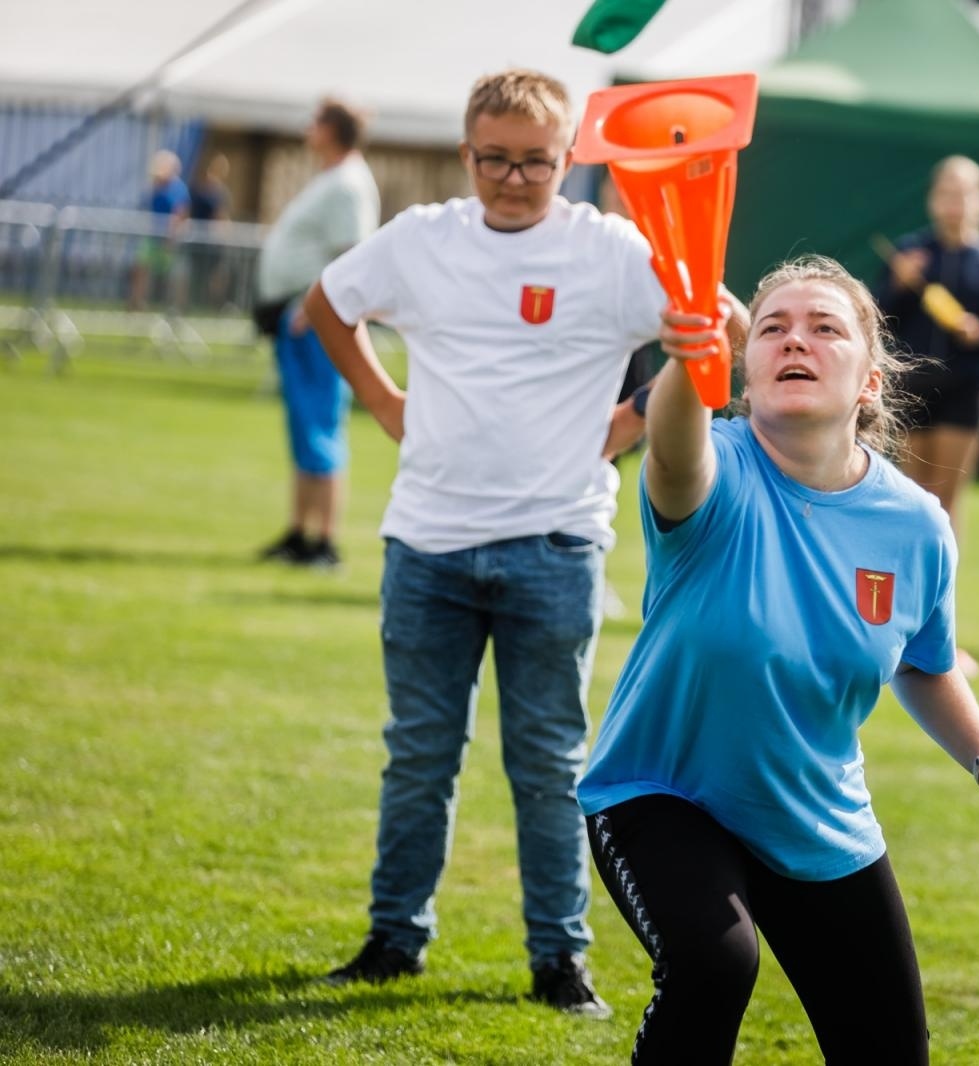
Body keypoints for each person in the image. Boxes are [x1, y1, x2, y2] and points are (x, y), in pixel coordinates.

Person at [579, 255, 979, 1064]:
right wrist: (688, 357)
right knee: (714, 963)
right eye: (772, 329)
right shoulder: (719, 466)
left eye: (824, 328)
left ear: (870, 381)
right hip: (659, 792)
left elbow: (924, 662)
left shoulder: (916, 525)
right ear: (746, 371)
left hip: (813, 814)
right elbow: (670, 452)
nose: (794, 340)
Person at [302, 68, 699, 1017]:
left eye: (536, 161)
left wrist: (630, 419)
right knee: (418, 757)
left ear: (570, 159)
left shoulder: (609, 250)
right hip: (427, 545)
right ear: (465, 153)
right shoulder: (425, 238)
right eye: (495, 159)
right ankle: (394, 941)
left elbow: (708, 330)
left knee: (552, 765)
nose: (514, 178)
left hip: (556, 547)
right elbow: (327, 302)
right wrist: (386, 403)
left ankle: (559, 961)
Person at [873, 156, 979, 678]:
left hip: (967, 395)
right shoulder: (911, 254)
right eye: (946, 191)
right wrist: (897, 285)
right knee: (915, 502)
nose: (954, 203)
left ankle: (942, 633)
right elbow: (874, 317)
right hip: (915, 393)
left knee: (947, 503)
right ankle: (900, 624)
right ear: (933, 198)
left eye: (965, 193)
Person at [253, 99, 379, 569]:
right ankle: (299, 532)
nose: (309, 128)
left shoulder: (348, 184)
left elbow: (352, 255)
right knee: (304, 427)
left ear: (333, 130)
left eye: (316, 121)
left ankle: (325, 541)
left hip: (315, 323)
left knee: (321, 425)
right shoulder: (334, 177)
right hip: (298, 318)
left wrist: (317, 307)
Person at [127, 149, 189, 311]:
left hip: (169, 239)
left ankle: (174, 308)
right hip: (153, 237)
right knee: (141, 268)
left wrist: (171, 236)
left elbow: (179, 213)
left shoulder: (178, 189)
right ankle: (137, 302)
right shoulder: (155, 187)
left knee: (174, 276)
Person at [186, 154, 233, 309]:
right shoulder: (200, 190)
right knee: (195, 274)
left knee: (215, 275)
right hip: (199, 239)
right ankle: (195, 303)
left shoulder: (220, 193)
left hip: (213, 242)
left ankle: (213, 304)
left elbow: (221, 216)